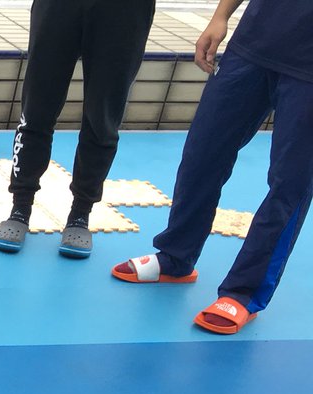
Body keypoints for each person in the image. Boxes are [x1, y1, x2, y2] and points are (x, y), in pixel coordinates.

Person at [112, 0, 313, 334]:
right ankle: (176, 256)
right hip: (253, 44)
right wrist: (221, 16)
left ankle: (243, 293)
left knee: (289, 183)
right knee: (202, 153)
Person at [0, 0, 157, 258]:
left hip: (126, 9)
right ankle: (20, 208)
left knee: (103, 118)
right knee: (36, 108)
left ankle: (81, 213)